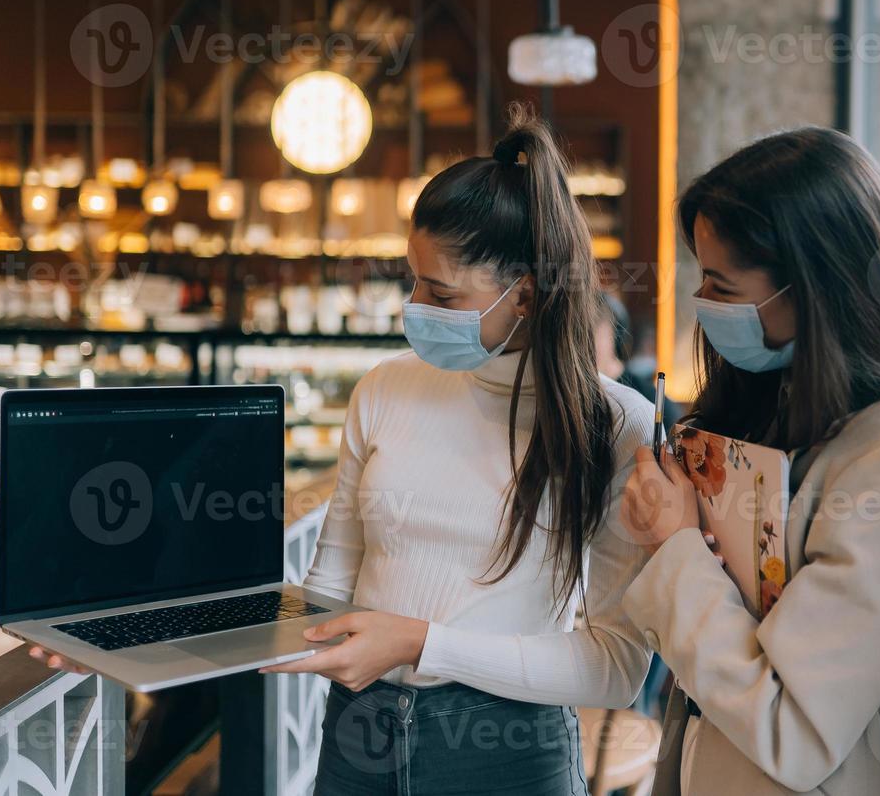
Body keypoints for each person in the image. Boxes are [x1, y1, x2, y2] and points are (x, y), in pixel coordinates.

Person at [262, 107, 655, 794]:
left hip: (507, 750)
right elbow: (324, 596)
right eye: (412, 281)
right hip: (358, 734)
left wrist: (422, 642)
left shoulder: (616, 423)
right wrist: (147, 646)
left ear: (525, 295)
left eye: (439, 292)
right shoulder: (384, 389)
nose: (412, 308)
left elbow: (615, 669)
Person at [618, 128, 880, 795]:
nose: (706, 307)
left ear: (813, 286)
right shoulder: (783, 404)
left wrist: (675, 546)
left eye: (722, 286)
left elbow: (794, 730)